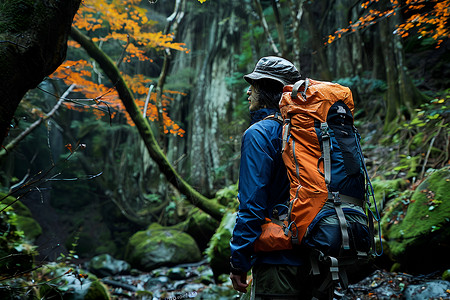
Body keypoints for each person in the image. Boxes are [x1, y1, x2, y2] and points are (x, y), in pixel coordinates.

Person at [229, 57, 314, 300]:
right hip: (318, 257)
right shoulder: (309, 132)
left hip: (278, 261)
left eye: (253, 86)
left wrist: (238, 261)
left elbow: (252, 206)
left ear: (267, 89)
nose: (248, 91)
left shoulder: (260, 134)